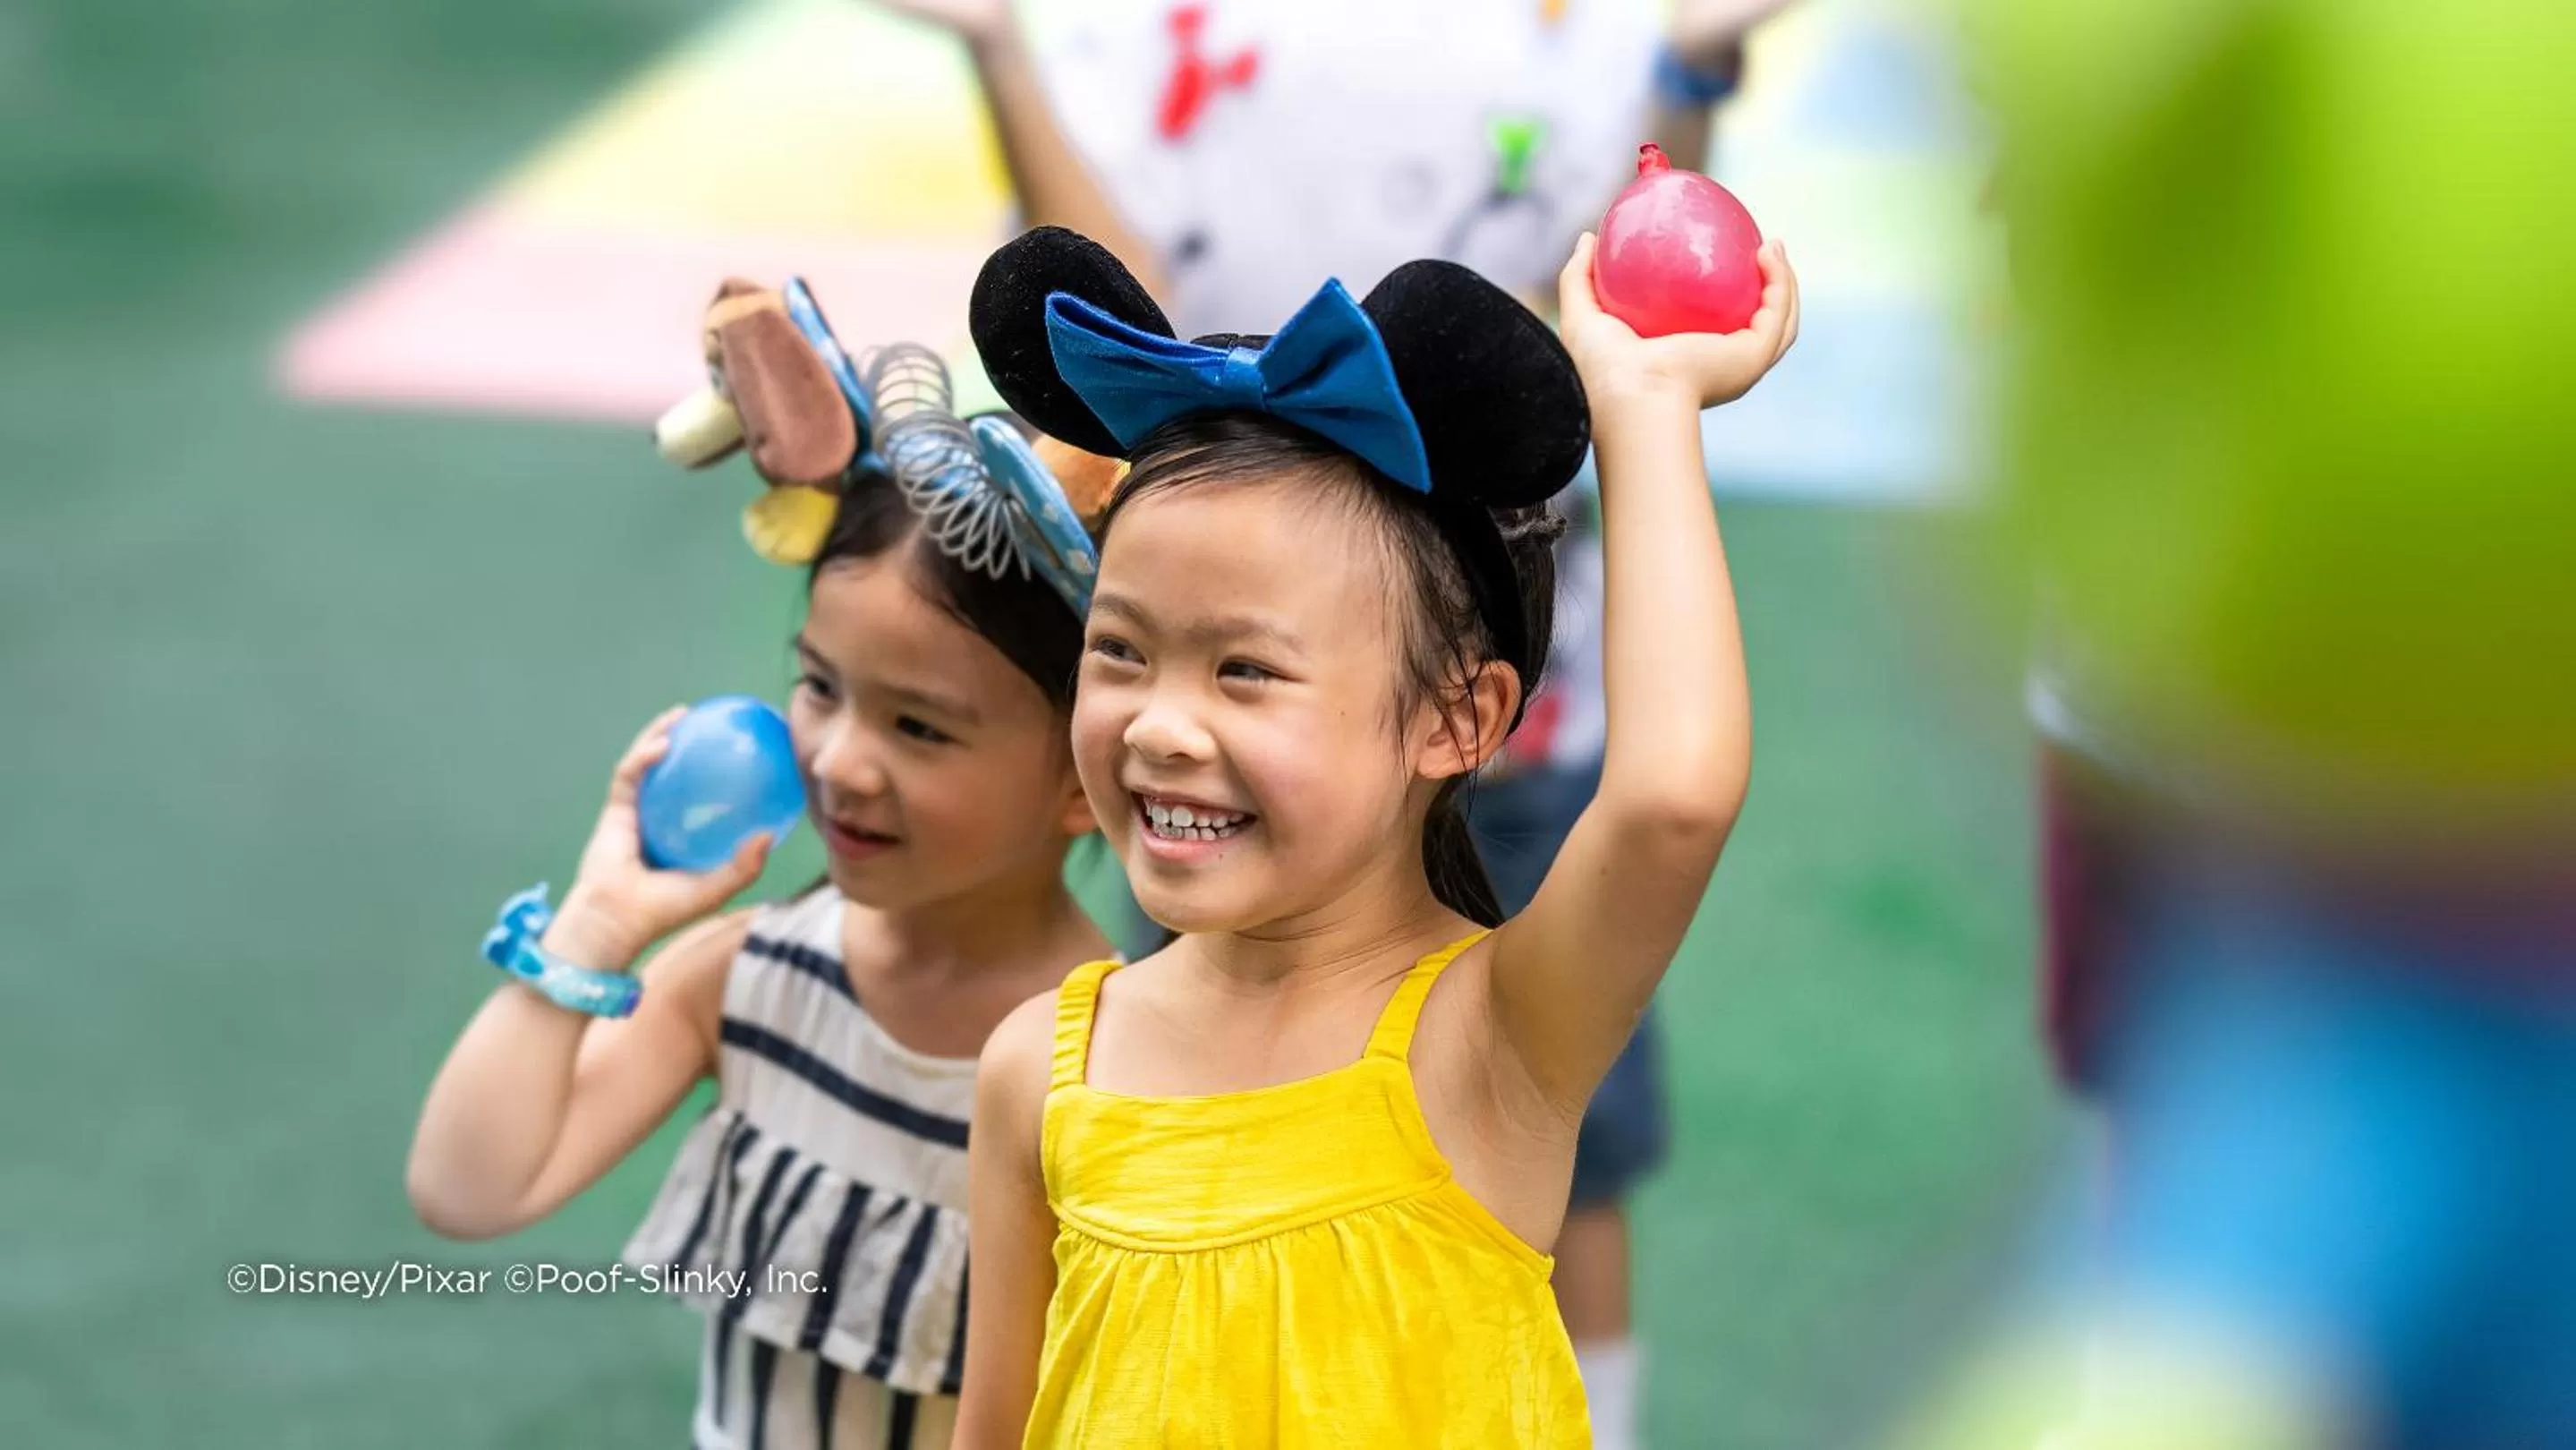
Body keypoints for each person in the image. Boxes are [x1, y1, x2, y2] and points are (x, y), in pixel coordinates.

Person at [948, 222, 1797, 1445]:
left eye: (1244, 670)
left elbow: (1672, 798)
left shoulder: (1490, 1040)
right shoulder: (1040, 1071)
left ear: (1458, 716)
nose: (1162, 727)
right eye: (1120, 651)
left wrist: (1647, 402)